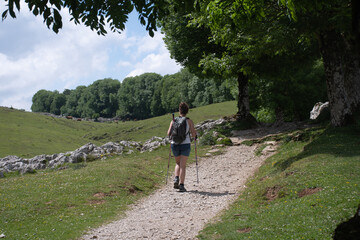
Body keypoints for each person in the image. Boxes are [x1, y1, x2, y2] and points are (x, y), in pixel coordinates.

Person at [167, 102, 197, 192]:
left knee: (177, 163)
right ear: (187, 111)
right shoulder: (189, 121)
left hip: (175, 144)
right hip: (185, 144)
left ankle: (176, 178)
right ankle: (182, 185)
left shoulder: (173, 120)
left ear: (179, 111)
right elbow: (193, 133)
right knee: (183, 166)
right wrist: (195, 137)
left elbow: (168, 133)